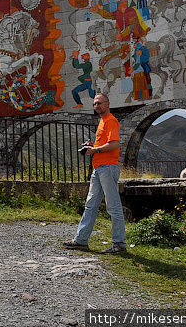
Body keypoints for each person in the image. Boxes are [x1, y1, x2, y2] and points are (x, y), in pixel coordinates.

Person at [64, 93, 126, 254]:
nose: (96, 106)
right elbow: (105, 143)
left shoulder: (111, 120)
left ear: (107, 104)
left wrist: (95, 149)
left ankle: (119, 244)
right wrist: (91, 147)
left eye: (99, 103)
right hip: (98, 168)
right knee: (90, 205)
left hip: (107, 167)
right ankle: (81, 240)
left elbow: (114, 144)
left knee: (113, 206)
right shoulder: (102, 121)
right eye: (94, 104)